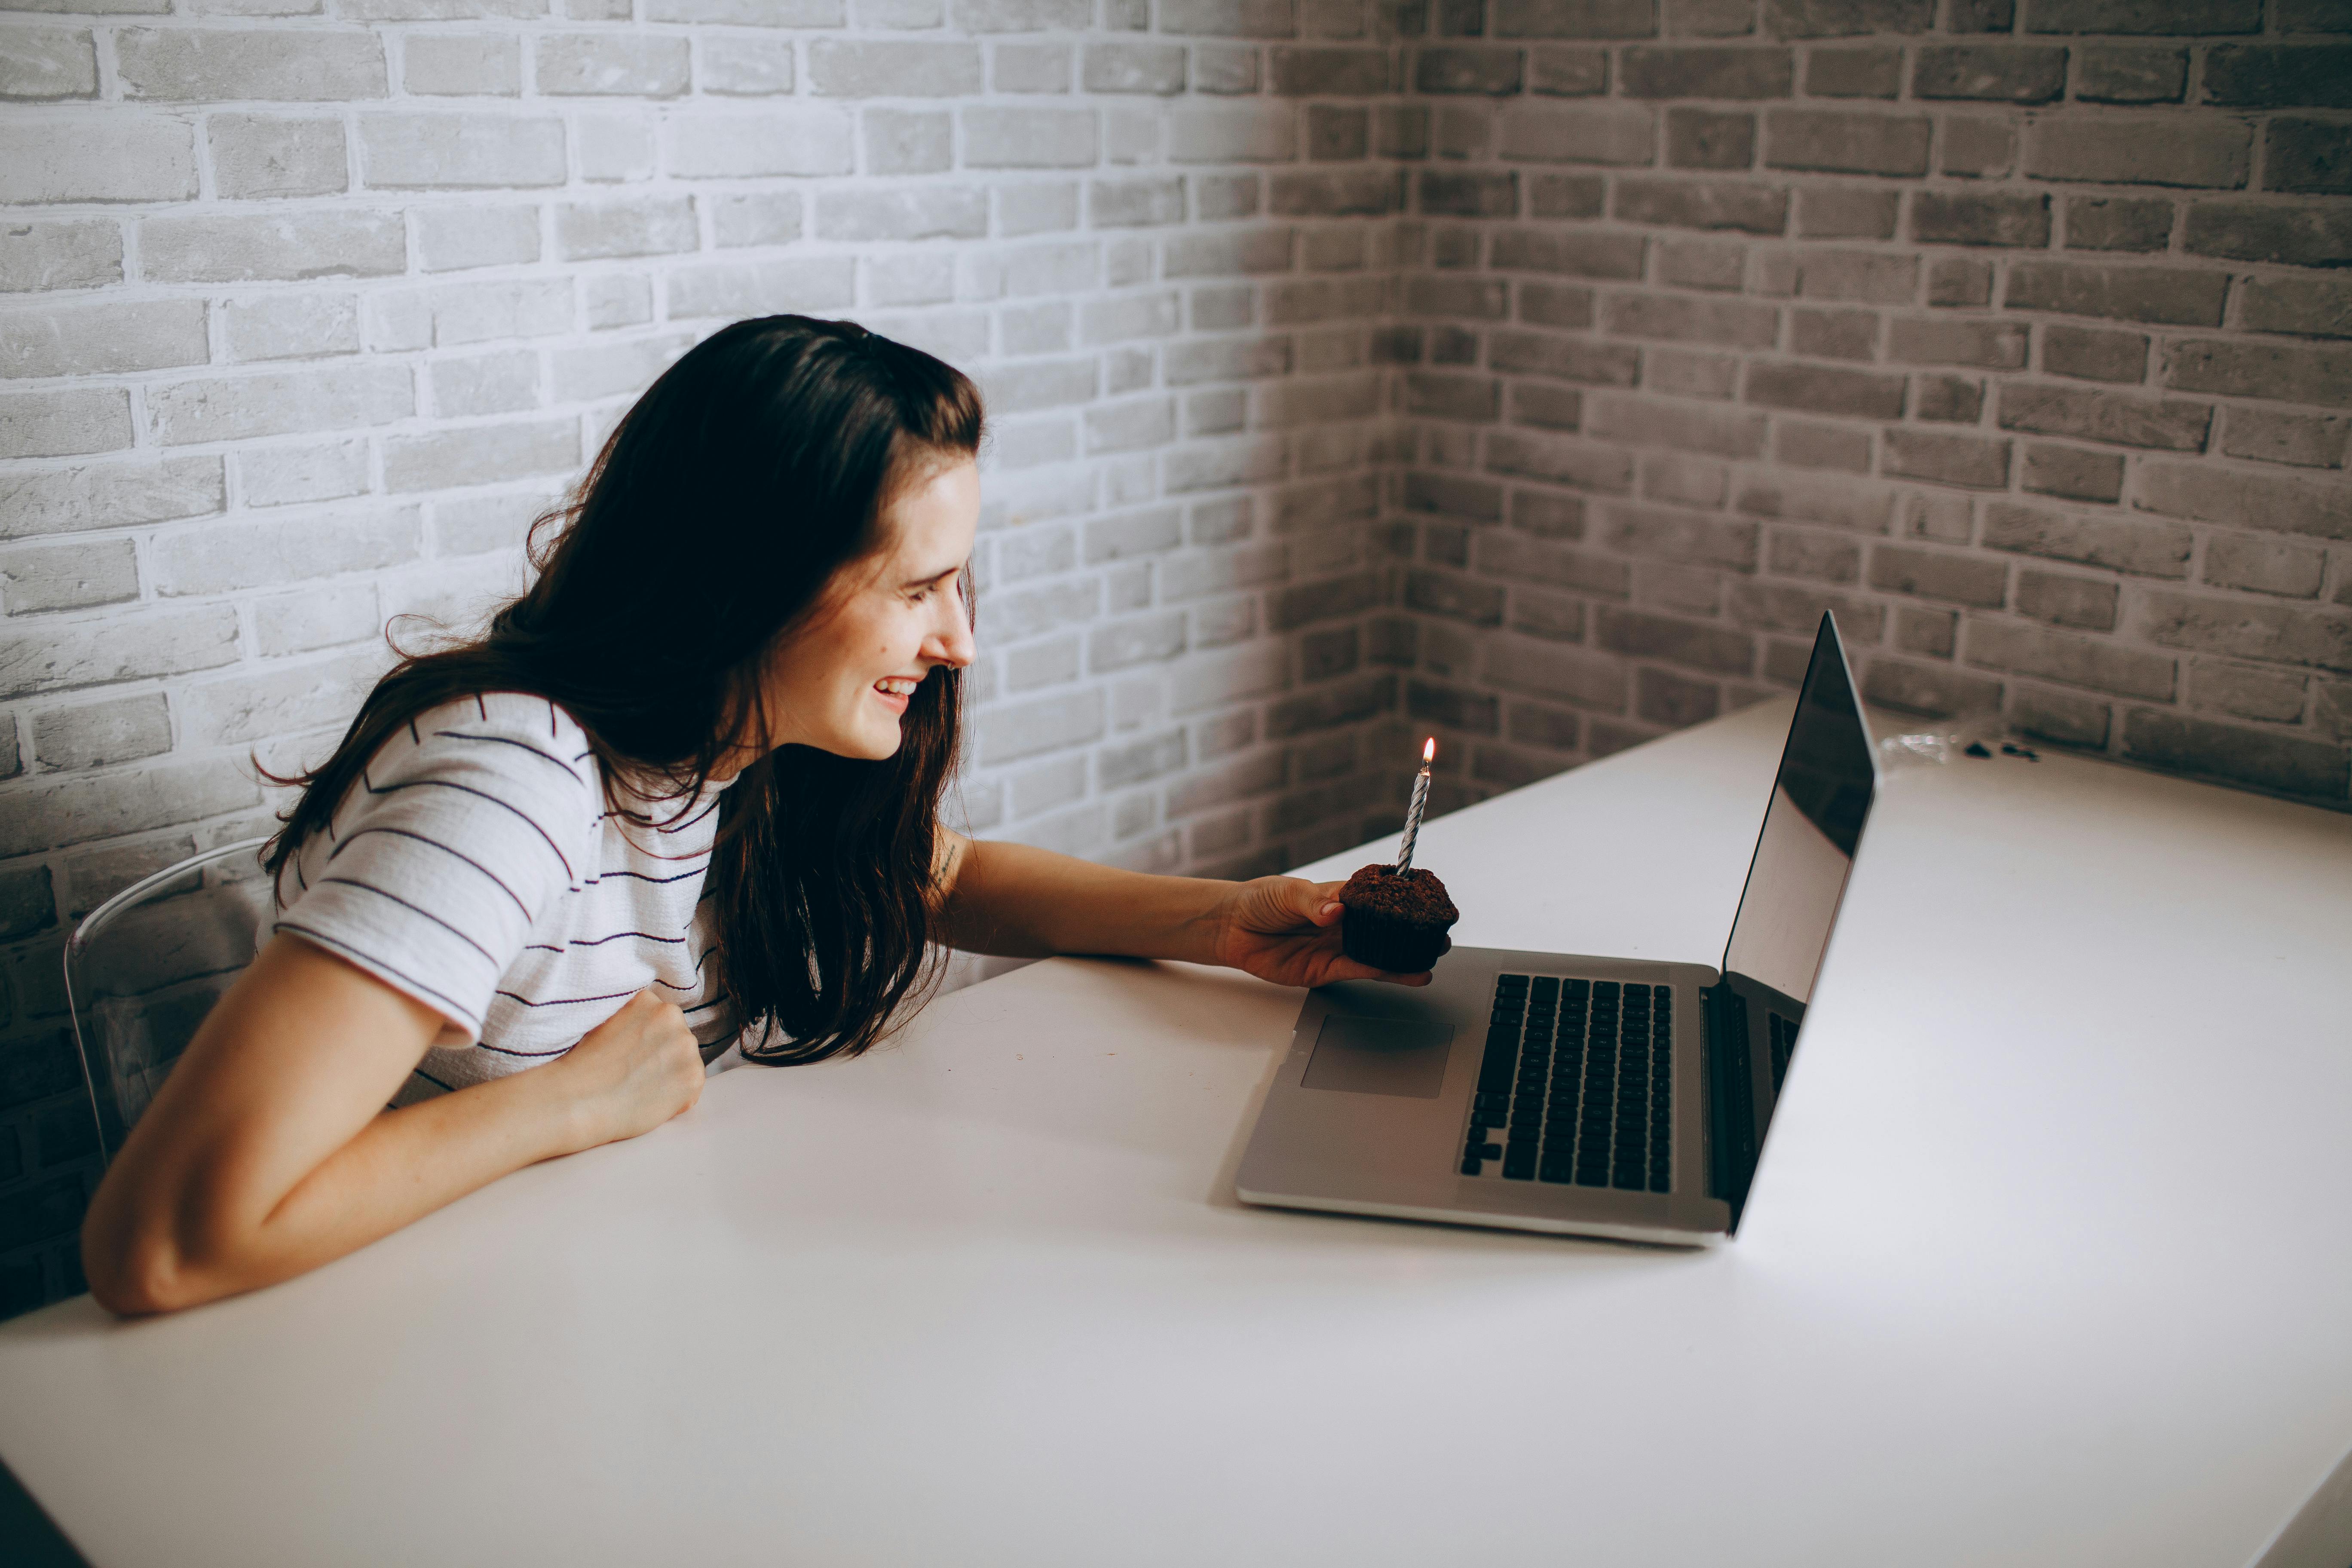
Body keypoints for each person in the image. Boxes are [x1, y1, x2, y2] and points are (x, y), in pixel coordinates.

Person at [81, 315, 1430, 1317]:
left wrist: (1228, 921)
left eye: (965, 585)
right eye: (919, 589)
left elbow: (940, 879)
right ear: (756, 581)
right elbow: (163, 1243)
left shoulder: (727, 744)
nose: (958, 638)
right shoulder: (513, 780)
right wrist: (568, 1104)